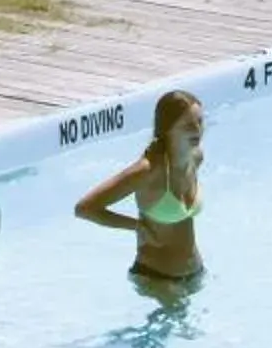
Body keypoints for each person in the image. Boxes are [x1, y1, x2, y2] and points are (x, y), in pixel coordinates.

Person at [75, 90, 205, 286]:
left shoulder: (195, 157)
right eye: (188, 125)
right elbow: (85, 208)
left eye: (200, 122)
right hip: (157, 278)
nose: (197, 130)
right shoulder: (148, 170)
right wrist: (137, 227)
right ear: (168, 129)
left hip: (195, 275)